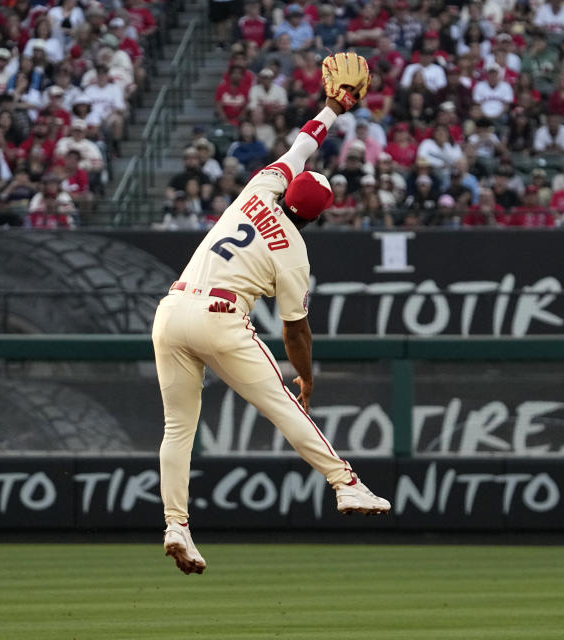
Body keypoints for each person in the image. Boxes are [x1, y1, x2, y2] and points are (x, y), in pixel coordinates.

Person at [155, 53, 390, 576]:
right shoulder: (295, 254)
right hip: (219, 318)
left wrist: (332, 108)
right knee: (285, 407)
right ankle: (345, 484)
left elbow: (302, 143)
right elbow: (295, 330)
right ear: (317, 216)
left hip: (172, 309)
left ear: (290, 188)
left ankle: (176, 526)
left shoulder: (259, 187)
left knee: (177, 429)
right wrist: (305, 376)